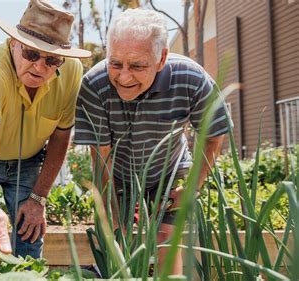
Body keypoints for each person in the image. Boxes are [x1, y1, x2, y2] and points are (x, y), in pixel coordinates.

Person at [74, 8, 231, 274]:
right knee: (118, 247)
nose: (123, 77)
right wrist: (113, 215)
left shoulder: (191, 79)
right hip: (119, 173)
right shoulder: (95, 85)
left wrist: (192, 187)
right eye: (115, 63)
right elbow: (101, 157)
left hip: (170, 169)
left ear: (161, 59)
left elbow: (214, 135)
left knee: (166, 243)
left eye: (137, 65)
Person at [0, 0, 91, 264]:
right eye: (31, 54)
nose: (40, 68)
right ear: (13, 43)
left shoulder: (72, 71)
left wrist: (38, 198)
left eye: (51, 59)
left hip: (28, 159)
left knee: (29, 234)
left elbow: (61, 136)